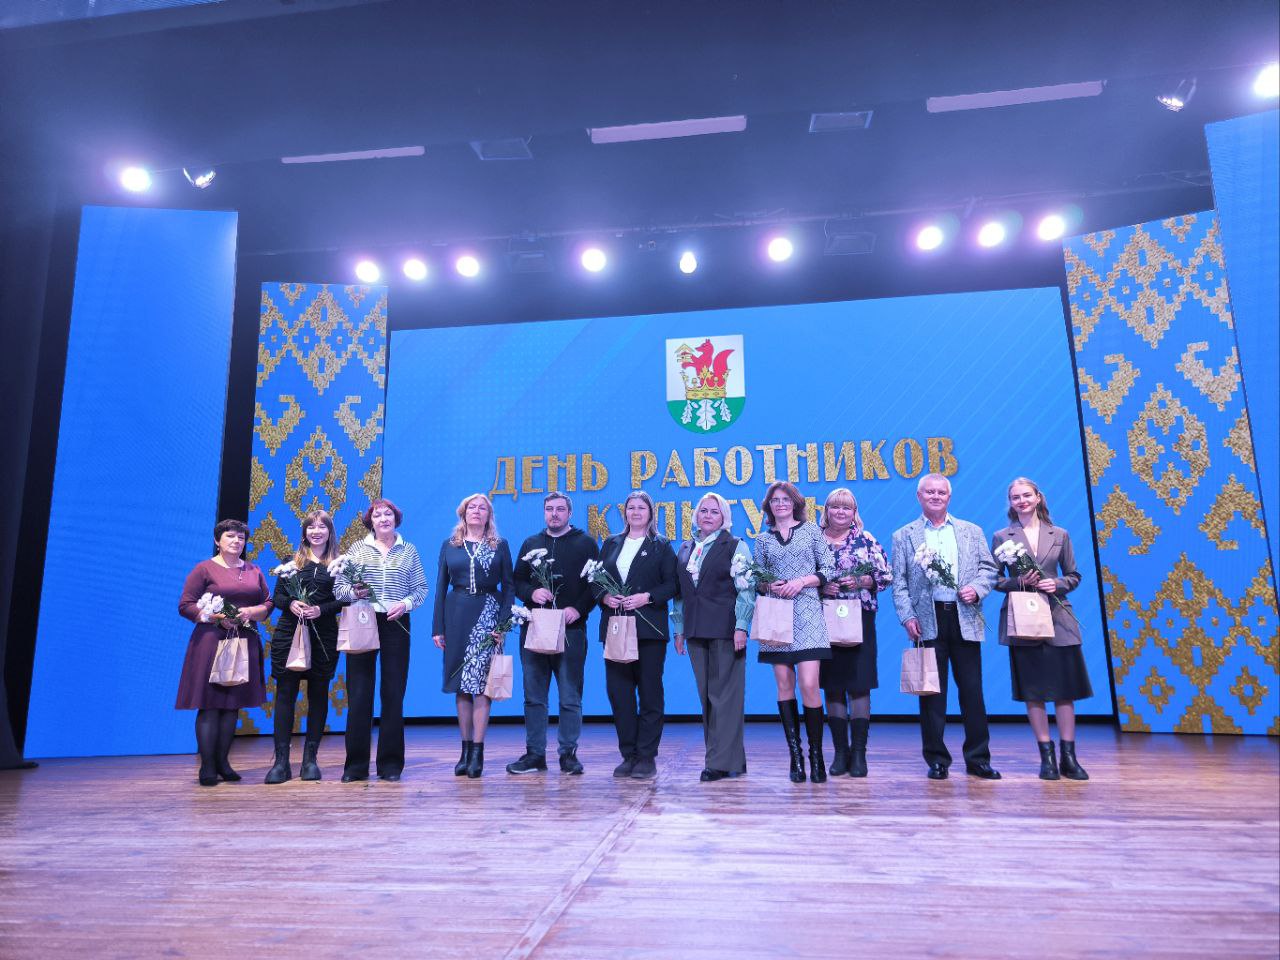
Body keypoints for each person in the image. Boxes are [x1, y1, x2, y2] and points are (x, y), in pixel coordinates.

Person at [891, 473, 1000, 781]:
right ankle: (937, 759)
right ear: (919, 496)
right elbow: (899, 582)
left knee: (972, 692)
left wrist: (977, 589)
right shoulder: (904, 535)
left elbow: (988, 569)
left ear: (949, 497)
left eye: (941, 492)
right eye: (930, 492)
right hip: (927, 620)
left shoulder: (971, 531)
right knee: (931, 695)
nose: (936, 496)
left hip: (964, 617)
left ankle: (978, 759)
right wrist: (907, 616)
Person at [992, 477, 1092, 781]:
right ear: (1010, 503)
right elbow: (995, 580)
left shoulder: (1059, 534)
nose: (1021, 501)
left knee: (1065, 691)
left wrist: (1056, 583)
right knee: (1033, 691)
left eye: (1026, 495)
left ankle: (1069, 758)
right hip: (1023, 618)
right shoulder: (1002, 537)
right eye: (1015, 497)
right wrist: (1019, 581)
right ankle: (1046, 757)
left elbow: (1073, 575)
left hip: (1058, 617)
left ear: (1038, 497)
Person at [333, 498, 428, 783]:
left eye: (388, 514)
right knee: (359, 695)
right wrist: (356, 593)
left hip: (395, 623)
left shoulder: (409, 550)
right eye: (378, 515)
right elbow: (339, 588)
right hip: (363, 619)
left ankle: (390, 765)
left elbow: (421, 589)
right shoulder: (357, 549)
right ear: (370, 521)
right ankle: (355, 766)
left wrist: (406, 604)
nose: (383, 518)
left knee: (393, 694)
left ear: (396, 519)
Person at [507, 492, 599, 775]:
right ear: (544, 512)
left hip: (572, 630)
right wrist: (531, 592)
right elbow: (516, 581)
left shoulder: (585, 543)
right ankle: (535, 755)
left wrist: (579, 609)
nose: (554, 514)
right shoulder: (531, 544)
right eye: (549, 509)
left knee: (570, 697)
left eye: (560, 509)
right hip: (535, 628)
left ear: (570, 513)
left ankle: (568, 755)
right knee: (534, 697)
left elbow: (596, 584)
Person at [176, 519, 273, 787]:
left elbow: (268, 603)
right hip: (211, 641)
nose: (236, 541)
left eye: (241, 537)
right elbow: (185, 605)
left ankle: (223, 763)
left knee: (232, 705)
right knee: (210, 704)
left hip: (243, 640)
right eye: (230, 536)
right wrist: (214, 617)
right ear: (217, 540)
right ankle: (207, 767)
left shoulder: (254, 570)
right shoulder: (204, 569)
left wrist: (251, 612)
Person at [754, 481, 836, 783]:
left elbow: (828, 569)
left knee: (810, 685)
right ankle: (796, 758)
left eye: (785, 499)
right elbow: (757, 578)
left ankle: (817, 756)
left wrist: (801, 581)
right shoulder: (763, 539)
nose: (780, 504)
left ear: (795, 503)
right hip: (777, 616)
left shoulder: (812, 531)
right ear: (769, 506)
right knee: (784, 685)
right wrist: (769, 584)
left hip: (808, 614)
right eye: (775, 500)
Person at [595, 491, 679, 780]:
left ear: (651, 513)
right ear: (625, 513)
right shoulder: (610, 543)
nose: (636, 512)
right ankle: (628, 755)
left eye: (641, 507)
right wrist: (604, 597)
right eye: (631, 507)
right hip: (616, 627)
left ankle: (646, 756)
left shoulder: (661, 545)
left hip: (648, 630)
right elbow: (595, 580)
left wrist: (647, 597)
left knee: (650, 693)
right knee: (619, 694)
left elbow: (673, 584)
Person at [672, 492, 755, 782]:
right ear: (696, 515)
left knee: (726, 698)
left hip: (725, 629)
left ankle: (718, 762)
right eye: (703, 511)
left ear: (724, 517)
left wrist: (742, 626)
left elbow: (746, 589)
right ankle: (728, 759)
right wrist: (679, 629)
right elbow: (680, 594)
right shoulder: (686, 547)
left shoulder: (735, 545)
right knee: (708, 697)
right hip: (695, 630)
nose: (707, 516)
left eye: (714, 512)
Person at [432, 493, 513, 779]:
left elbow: (509, 587)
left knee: (481, 685)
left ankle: (478, 752)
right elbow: (440, 587)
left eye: (482, 508)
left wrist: (503, 625)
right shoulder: (450, 545)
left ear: (489, 515)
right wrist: (438, 628)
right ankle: (464, 751)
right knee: (461, 686)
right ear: (463, 513)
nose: (476, 511)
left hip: (488, 615)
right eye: (472, 507)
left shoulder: (499, 545)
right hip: (456, 615)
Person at [264, 509, 346, 784]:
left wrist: (321, 610)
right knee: (285, 694)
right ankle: (281, 762)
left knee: (318, 694)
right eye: (311, 527)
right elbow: (277, 597)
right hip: (290, 634)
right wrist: (291, 603)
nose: (316, 531)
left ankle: (310, 760)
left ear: (330, 532)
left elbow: (344, 600)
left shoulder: (339, 564)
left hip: (323, 636)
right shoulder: (291, 562)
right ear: (304, 533)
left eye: (322, 527)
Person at [818, 488, 892, 778]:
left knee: (859, 684)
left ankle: (859, 754)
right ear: (826, 510)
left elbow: (885, 575)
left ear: (854, 512)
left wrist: (863, 581)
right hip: (823, 620)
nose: (840, 512)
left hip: (860, 619)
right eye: (835, 507)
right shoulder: (814, 539)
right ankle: (840, 753)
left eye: (846, 508)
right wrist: (820, 585)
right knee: (832, 685)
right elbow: (803, 576)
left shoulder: (865, 539)